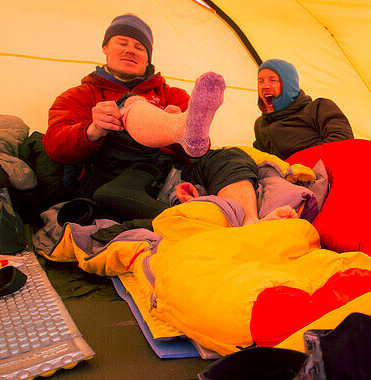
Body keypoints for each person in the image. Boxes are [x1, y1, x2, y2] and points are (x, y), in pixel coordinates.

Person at [45, 13, 268, 224]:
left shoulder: (172, 94)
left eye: (139, 47)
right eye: (122, 43)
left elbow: (199, 147)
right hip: (117, 176)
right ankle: (177, 126)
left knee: (231, 156)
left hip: (169, 174)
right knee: (128, 103)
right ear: (105, 48)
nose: (130, 50)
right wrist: (92, 130)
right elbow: (54, 145)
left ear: (147, 56)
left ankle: (249, 221)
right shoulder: (80, 95)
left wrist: (172, 138)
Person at [253, 59, 354, 159]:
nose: (265, 86)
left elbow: (342, 141)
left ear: (288, 85)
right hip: (285, 174)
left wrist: (301, 163)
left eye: (273, 80)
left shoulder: (318, 108)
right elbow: (263, 160)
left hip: (323, 168)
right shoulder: (261, 124)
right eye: (260, 81)